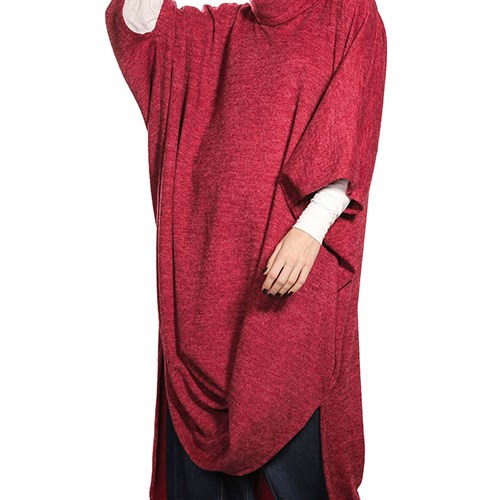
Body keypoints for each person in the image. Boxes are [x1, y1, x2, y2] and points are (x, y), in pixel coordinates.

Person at [105, 0, 387, 498]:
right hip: (206, 290)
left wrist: (311, 228)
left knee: (300, 465)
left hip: (293, 274)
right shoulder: (216, 32)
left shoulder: (347, 12)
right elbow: (143, 29)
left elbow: (349, 123)